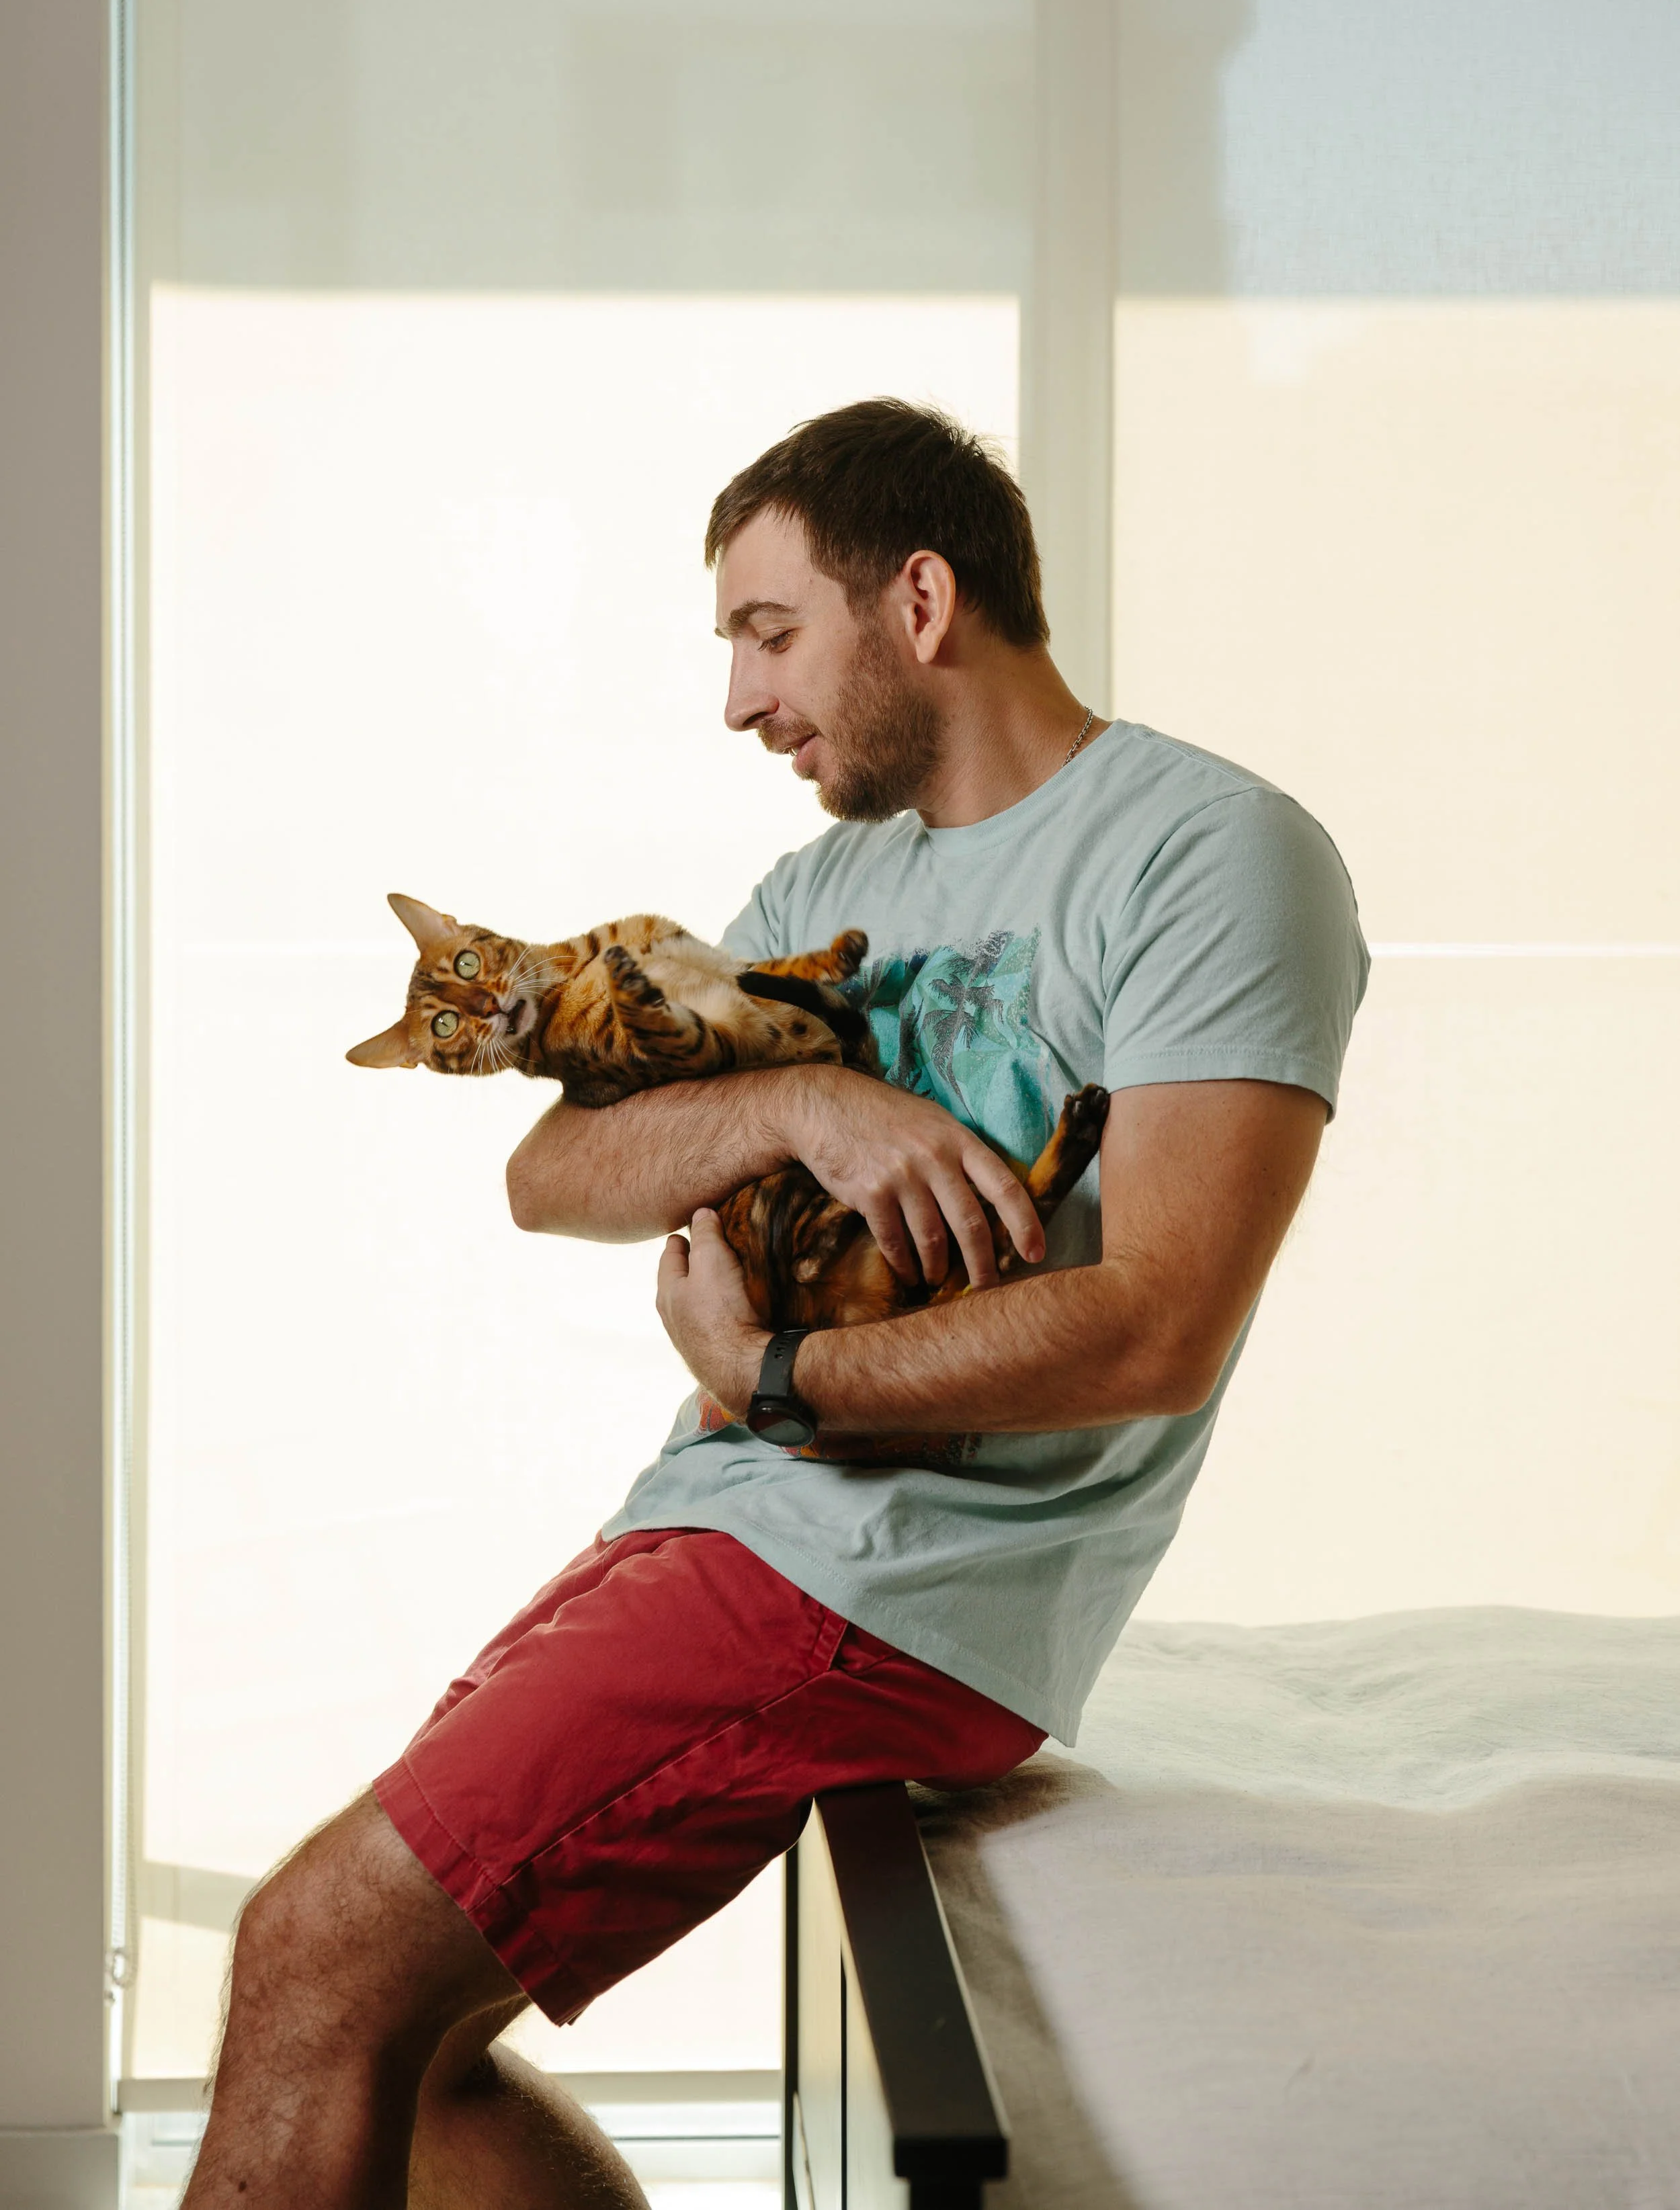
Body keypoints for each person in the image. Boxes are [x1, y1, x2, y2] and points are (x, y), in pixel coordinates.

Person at [183, 400, 1368, 2209]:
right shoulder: (825, 886)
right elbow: (554, 1172)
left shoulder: (1206, 851)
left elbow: (1158, 1326)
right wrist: (811, 1101)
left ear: (919, 601)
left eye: (768, 631)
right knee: (399, 2039)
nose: (739, 699)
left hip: (886, 1577)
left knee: (310, 1955)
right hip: (718, 1520)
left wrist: (775, 1374)